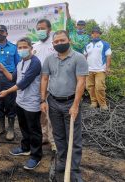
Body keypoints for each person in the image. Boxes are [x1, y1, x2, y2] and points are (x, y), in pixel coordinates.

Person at [41, 30, 88, 182]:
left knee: (73, 138)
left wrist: (75, 105)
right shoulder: (49, 59)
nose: (59, 43)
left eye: (62, 40)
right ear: (53, 44)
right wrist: (43, 100)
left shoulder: (79, 58)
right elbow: (45, 79)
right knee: (59, 135)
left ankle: (73, 170)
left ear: (69, 40)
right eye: (56, 42)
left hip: (70, 102)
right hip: (53, 102)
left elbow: (81, 82)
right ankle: (62, 161)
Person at [0, 37, 43, 170]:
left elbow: (23, 83)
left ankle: (36, 156)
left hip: (32, 102)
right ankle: (25, 148)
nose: (22, 50)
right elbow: (12, 78)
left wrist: (6, 91)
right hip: (21, 101)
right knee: (23, 126)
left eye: (25, 47)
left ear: (31, 48)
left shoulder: (35, 63)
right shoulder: (20, 63)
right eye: (20, 47)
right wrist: (2, 68)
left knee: (34, 130)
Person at [0, 25, 20, 141]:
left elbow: (18, 65)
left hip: (9, 78)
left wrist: (15, 79)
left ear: (6, 33)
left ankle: (10, 128)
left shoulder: (13, 48)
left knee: (10, 103)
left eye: (1, 32)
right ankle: (1, 127)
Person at [32, 19, 56, 151]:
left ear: (49, 29)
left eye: (42, 28)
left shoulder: (54, 46)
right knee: (41, 113)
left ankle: (54, 142)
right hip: (37, 85)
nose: (40, 31)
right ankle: (44, 136)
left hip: (52, 85)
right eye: (38, 28)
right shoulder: (34, 47)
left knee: (51, 114)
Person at [84, 26, 112, 110]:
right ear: (91, 34)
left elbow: (108, 56)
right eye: (93, 33)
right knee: (90, 86)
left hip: (100, 70)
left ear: (99, 34)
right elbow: (84, 57)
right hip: (89, 70)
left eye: (97, 33)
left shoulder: (105, 44)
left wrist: (108, 68)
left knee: (100, 87)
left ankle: (102, 104)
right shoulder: (87, 45)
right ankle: (94, 102)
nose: (95, 34)